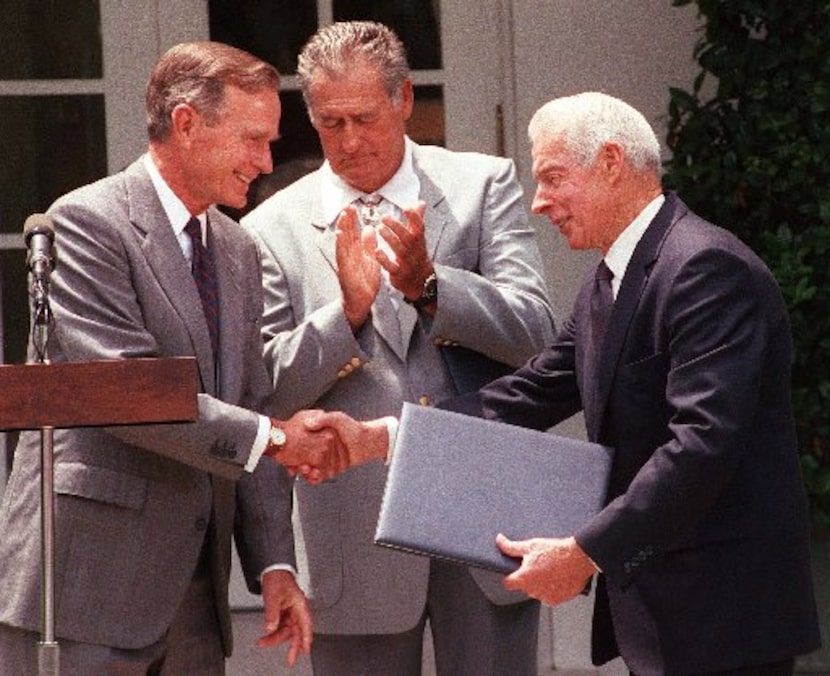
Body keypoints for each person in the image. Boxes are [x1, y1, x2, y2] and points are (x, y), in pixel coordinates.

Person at [320, 91, 823, 675]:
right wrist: (385, 436)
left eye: (553, 178)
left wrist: (583, 554)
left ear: (611, 162)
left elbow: (702, 447)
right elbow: (528, 393)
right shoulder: (609, 279)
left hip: (724, 615)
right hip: (664, 616)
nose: (538, 203)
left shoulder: (705, 270)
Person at [0, 41, 346, 675]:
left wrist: (273, 563)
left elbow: (251, 401)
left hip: (193, 601)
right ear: (186, 123)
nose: (265, 160)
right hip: (88, 588)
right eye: (251, 139)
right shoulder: (86, 222)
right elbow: (125, 394)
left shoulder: (238, 250)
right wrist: (275, 439)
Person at [241, 20, 556, 676]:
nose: (350, 142)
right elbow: (265, 390)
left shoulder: (482, 187)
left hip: (487, 518)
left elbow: (537, 336)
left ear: (405, 99)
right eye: (331, 124)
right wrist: (346, 316)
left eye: (364, 117)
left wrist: (433, 288)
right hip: (354, 537)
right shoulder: (270, 226)